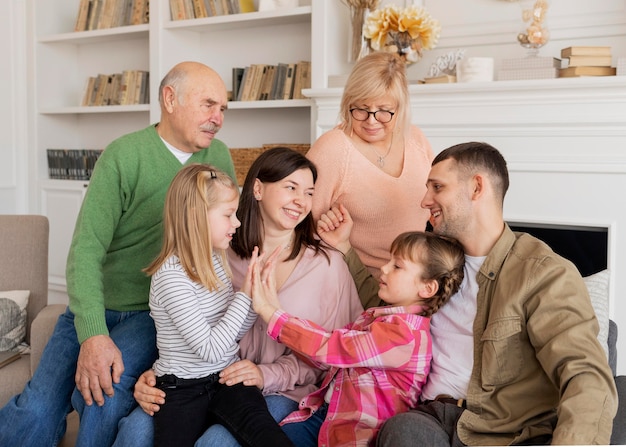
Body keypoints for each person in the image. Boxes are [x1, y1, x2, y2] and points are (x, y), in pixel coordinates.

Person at [0, 61, 237, 447]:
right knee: (37, 411)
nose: (218, 118)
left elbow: (229, 237)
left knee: (103, 394)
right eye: (209, 104)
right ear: (170, 98)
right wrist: (92, 333)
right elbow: (85, 251)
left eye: (223, 109)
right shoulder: (124, 156)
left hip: (151, 311)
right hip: (94, 304)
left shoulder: (218, 159)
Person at [323, 142, 618, 446]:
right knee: (403, 430)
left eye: (437, 187)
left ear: (477, 187)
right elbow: (389, 308)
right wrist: (345, 248)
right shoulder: (440, 263)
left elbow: (583, 372)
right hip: (433, 416)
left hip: (509, 431)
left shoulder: (541, 272)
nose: (425, 201)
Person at [113, 147, 364, 447]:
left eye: (309, 192)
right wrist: (155, 375)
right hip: (207, 381)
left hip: (281, 390)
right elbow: (186, 333)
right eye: (291, 188)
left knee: (216, 443)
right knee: (135, 431)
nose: (302, 201)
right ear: (257, 189)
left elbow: (334, 355)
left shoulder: (327, 266)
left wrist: (265, 374)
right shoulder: (218, 252)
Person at [249, 231, 465, 447]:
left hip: (356, 435)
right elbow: (327, 358)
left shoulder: (405, 335)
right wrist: (276, 312)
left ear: (427, 288)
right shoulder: (376, 318)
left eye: (397, 266)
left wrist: (273, 315)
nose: (384, 268)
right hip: (325, 417)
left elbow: (333, 348)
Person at [145, 164, 294, 447]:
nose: (236, 223)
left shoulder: (215, 261)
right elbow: (210, 349)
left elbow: (232, 334)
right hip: (181, 390)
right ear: (196, 217)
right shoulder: (171, 277)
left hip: (227, 377)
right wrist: (244, 294)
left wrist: (256, 294)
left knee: (270, 437)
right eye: (228, 215)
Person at [306, 51, 434, 279]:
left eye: (384, 111)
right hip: (360, 282)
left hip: (416, 281)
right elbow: (302, 224)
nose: (371, 121)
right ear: (348, 103)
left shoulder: (415, 139)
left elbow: (437, 206)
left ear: (400, 107)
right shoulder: (333, 149)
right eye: (361, 109)